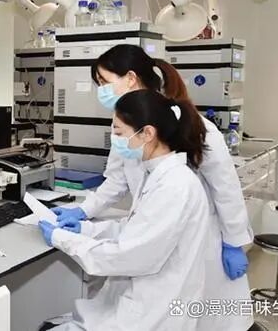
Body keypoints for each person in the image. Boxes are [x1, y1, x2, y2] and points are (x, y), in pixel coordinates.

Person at [53, 44, 253, 330]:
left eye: (104, 82)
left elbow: (226, 189)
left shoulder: (194, 125)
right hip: (157, 235)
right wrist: (83, 211)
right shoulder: (128, 124)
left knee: (202, 314)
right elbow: (117, 181)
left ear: (130, 78)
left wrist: (233, 241)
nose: (101, 91)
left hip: (199, 238)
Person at [38, 90, 211, 330]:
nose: (115, 140)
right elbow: (135, 230)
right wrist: (86, 229)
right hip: (142, 301)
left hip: (154, 314)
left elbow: (127, 255)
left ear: (147, 133)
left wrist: (62, 239)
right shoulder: (159, 175)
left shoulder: (174, 187)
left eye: (119, 133)